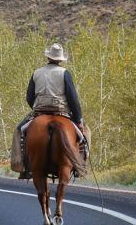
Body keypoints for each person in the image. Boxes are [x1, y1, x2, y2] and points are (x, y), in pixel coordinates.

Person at [12, 43, 89, 180]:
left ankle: (22, 166)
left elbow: (29, 97)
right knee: (85, 133)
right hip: (62, 111)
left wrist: (36, 109)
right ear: (60, 59)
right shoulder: (65, 73)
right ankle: (80, 167)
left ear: (48, 57)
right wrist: (78, 118)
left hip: (40, 111)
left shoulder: (37, 72)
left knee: (19, 131)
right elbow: (72, 98)